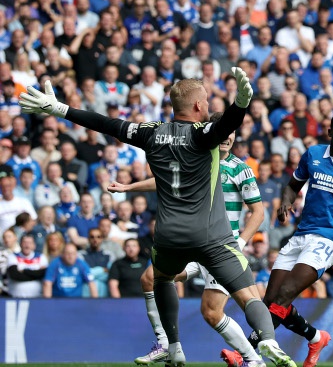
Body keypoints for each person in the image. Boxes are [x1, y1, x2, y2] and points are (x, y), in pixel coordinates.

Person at [19, 73, 295, 367]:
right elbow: (228, 124)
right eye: (206, 100)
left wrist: (60, 109)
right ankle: (267, 340)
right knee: (248, 294)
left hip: (168, 237)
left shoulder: (150, 132)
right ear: (198, 105)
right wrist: (241, 102)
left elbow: (105, 123)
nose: (208, 104)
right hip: (211, 236)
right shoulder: (203, 134)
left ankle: (173, 346)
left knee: (161, 279)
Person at [108, 111, 268, 367]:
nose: (226, 137)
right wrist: (129, 187)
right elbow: (165, 180)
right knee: (149, 278)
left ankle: (253, 359)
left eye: (230, 133)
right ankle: (165, 343)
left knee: (211, 312)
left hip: (221, 248)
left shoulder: (241, 169)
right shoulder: (198, 157)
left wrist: (240, 243)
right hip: (195, 242)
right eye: (222, 132)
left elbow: (258, 212)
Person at [246, 111, 333, 367]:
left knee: (285, 294)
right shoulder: (313, 154)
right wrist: (285, 203)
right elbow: (292, 186)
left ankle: (247, 353)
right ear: (330, 131)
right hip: (301, 233)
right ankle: (316, 338)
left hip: (330, 237)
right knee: (270, 301)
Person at [7, 233, 48, 298]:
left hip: (37, 298)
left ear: (34, 245)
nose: (27, 245)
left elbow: (42, 274)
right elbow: (15, 275)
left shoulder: (41, 257)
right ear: (20, 244)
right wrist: (35, 274)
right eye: (24, 242)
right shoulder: (13, 256)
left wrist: (23, 271)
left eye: (30, 243)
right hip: (15, 297)